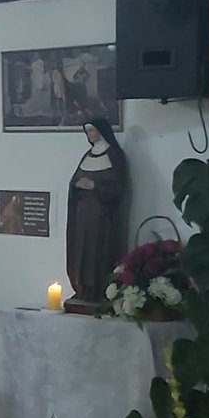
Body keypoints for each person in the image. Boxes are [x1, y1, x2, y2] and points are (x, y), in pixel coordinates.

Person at [66, 117, 130, 303]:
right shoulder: (87, 155)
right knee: (83, 253)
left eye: (92, 131)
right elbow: (74, 182)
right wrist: (77, 185)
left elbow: (119, 188)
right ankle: (83, 289)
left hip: (103, 218)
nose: (89, 135)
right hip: (82, 217)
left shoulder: (115, 156)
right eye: (87, 132)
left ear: (101, 131)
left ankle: (100, 290)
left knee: (99, 252)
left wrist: (95, 186)